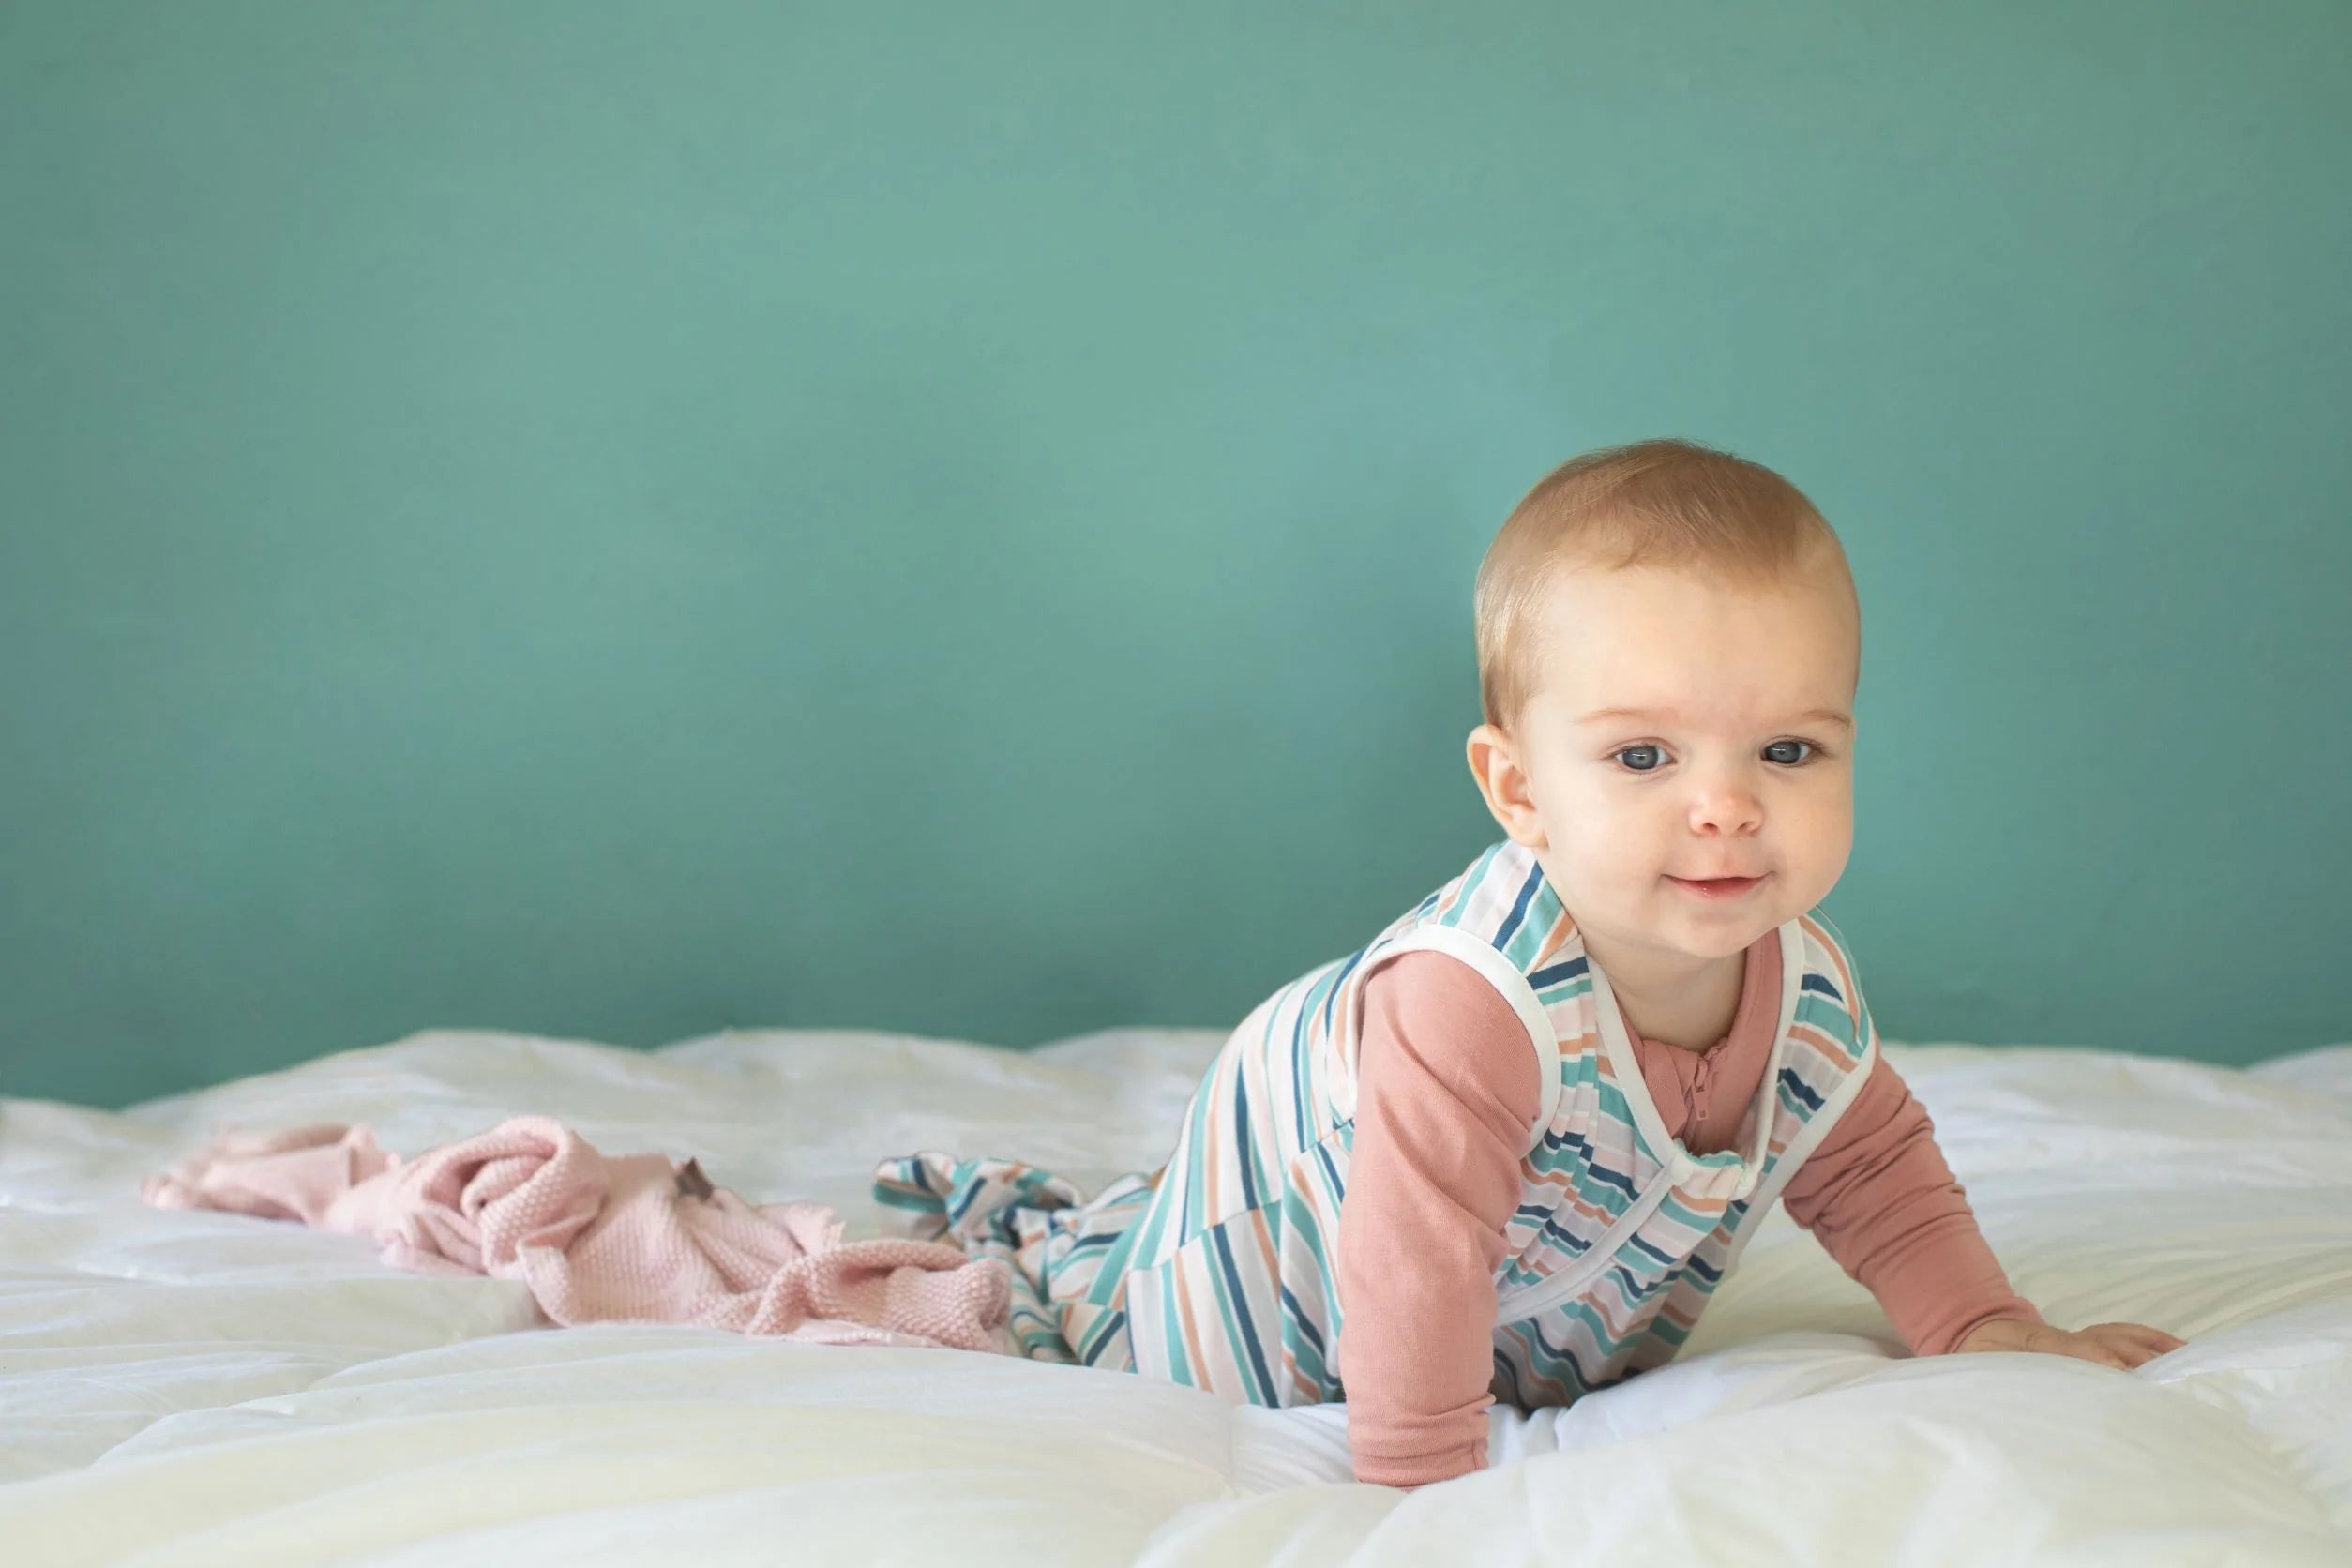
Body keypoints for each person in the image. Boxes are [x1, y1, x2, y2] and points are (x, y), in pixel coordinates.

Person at [875, 438, 2186, 1489]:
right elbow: (1415, 1253)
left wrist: (1986, 1327)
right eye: (1643, 757)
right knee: (1244, 1304)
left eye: (1789, 752)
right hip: (1270, 1311)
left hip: (1507, 1334)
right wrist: (1423, 1479)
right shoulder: (1475, 999)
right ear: (1519, 790)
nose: (1725, 806)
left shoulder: (1808, 996)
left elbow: (1877, 1178)